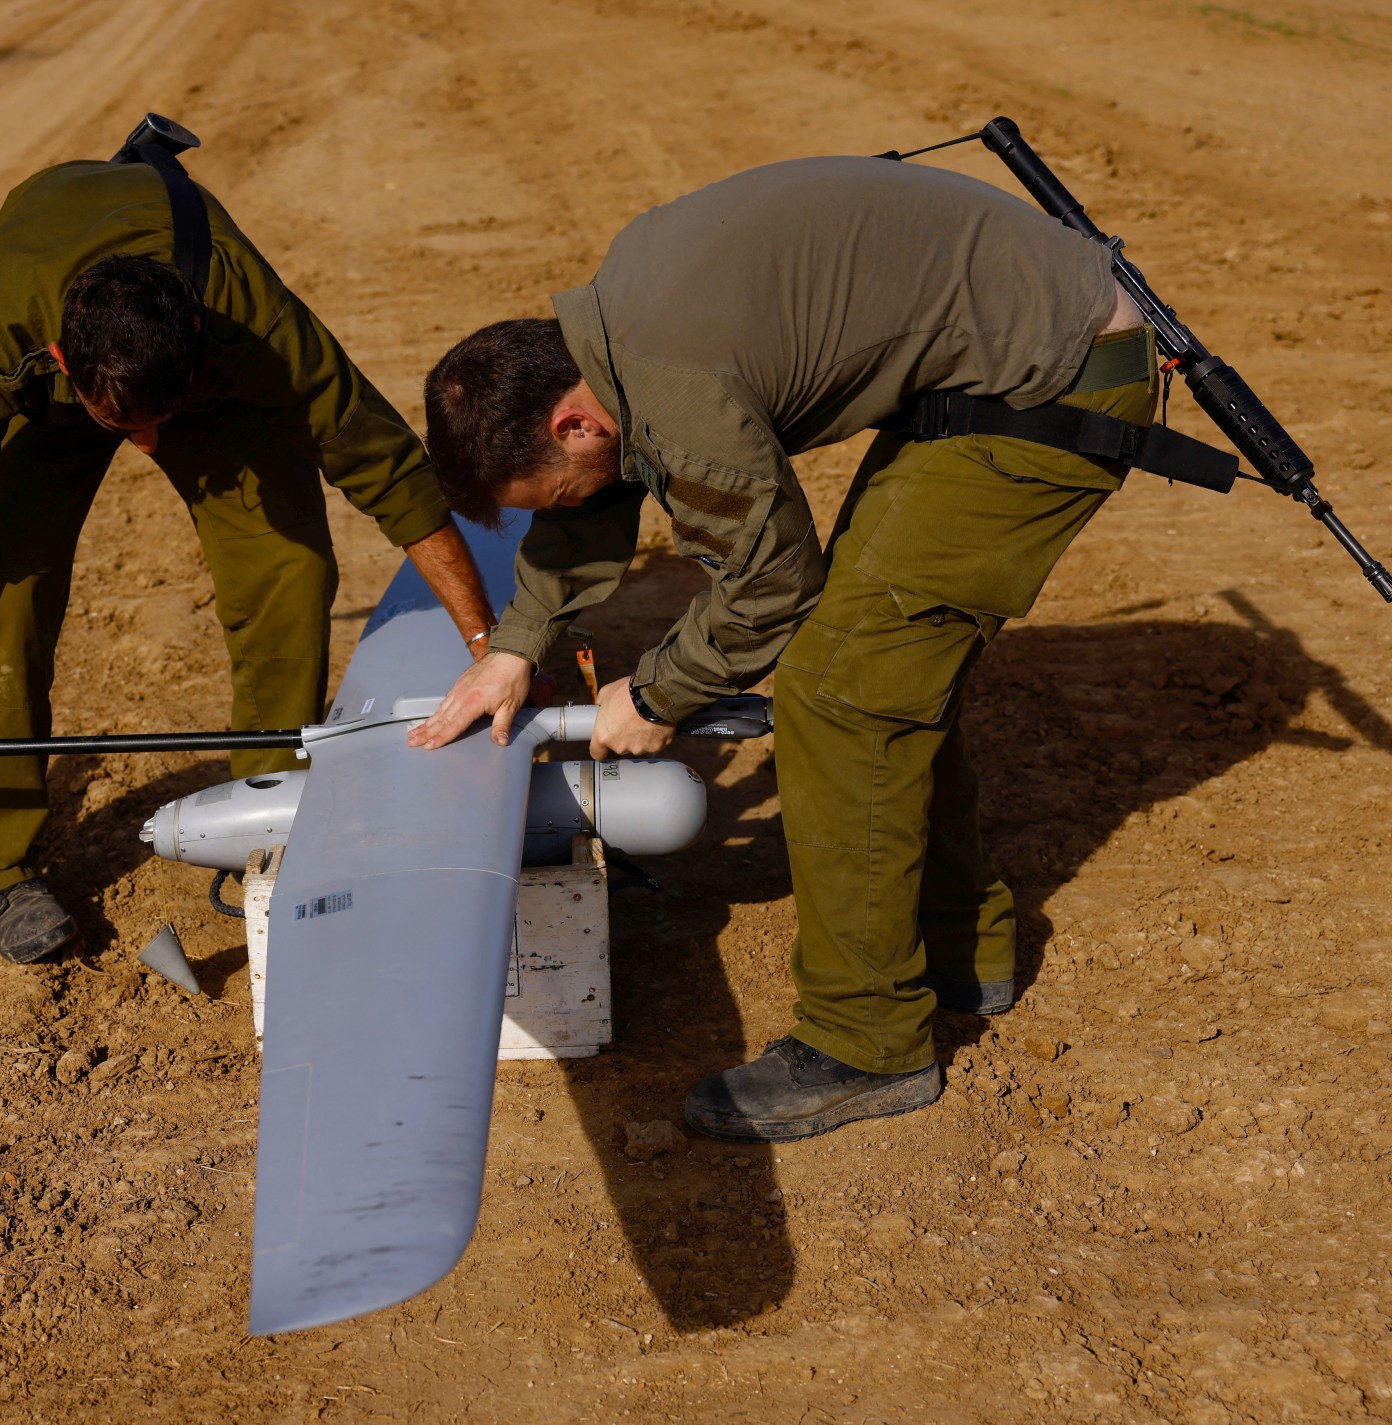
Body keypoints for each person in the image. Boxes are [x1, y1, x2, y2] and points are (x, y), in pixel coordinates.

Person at [408, 155, 1155, 1141]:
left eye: (555, 490)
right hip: (1009, 357)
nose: (571, 504)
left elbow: (771, 585)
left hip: (1056, 381)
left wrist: (659, 694)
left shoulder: (674, 387)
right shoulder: (617, 330)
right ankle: (960, 946)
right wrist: (517, 646)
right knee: (879, 668)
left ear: (572, 420)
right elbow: (603, 491)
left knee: (843, 694)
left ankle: (867, 1042)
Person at [0, 156, 496, 965]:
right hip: (47, 388)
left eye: (156, 421)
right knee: (12, 599)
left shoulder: (251, 319)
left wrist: (488, 646)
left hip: (192, 375)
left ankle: (270, 813)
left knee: (288, 562)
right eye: (123, 424)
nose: (146, 446)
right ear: (64, 361)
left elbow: (391, 472)